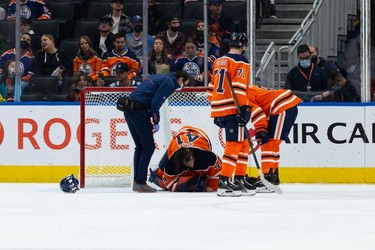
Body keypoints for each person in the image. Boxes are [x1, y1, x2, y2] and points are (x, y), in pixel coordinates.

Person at [117, 70, 190, 193]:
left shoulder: (160, 77)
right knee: (148, 147)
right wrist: (156, 121)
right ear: (181, 79)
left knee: (140, 146)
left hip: (130, 109)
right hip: (139, 110)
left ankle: (137, 181)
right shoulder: (170, 83)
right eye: (184, 83)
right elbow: (155, 103)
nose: (182, 87)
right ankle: (140, 182)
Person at [207, 32, 255, 197]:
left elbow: (211, 87)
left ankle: (239, 177)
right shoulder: (241, 61)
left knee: (243, 143)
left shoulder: (219, 61)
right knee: (234, 144)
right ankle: (225, 180)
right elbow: (239, 86)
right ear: (244, 45)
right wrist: (245, 108)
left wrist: (216, 108)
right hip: (234, 107)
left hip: (221, 107)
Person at [247, 86, 302, 187]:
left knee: (269, 143)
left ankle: (268, 177)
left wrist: (261, 129)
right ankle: (273, 176)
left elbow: (258, 113)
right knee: (273, 143)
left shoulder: (241, 96)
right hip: (285, 105)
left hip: (282, 106)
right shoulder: (245, 90)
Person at [148, 126, 222, 192]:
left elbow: (217, 170)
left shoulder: (206, 156)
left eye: (190, 159)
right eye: (187, 161)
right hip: (177, 142)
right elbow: (168, 184)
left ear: (192, 154)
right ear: (181, 161)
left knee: (205, 172)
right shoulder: (172, 163)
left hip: (201, 136)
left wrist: (210, 186)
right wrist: (181, 187)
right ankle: (159, 170)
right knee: (159, 175)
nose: (191, 164)